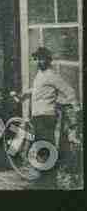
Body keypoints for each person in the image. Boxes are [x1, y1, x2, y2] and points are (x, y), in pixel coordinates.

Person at [28, 47, 81, 189]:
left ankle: (48, 182)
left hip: (46, 116)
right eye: (38, 59)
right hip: (37, 115)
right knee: (40, 147)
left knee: (47, 147)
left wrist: (75, 108)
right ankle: (42, 178)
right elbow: (38, 90)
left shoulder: (52, 75)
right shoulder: (40, 73)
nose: (40, 61)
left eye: (43, 58)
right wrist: (25, 94)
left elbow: (69, 91)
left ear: (48, 60)